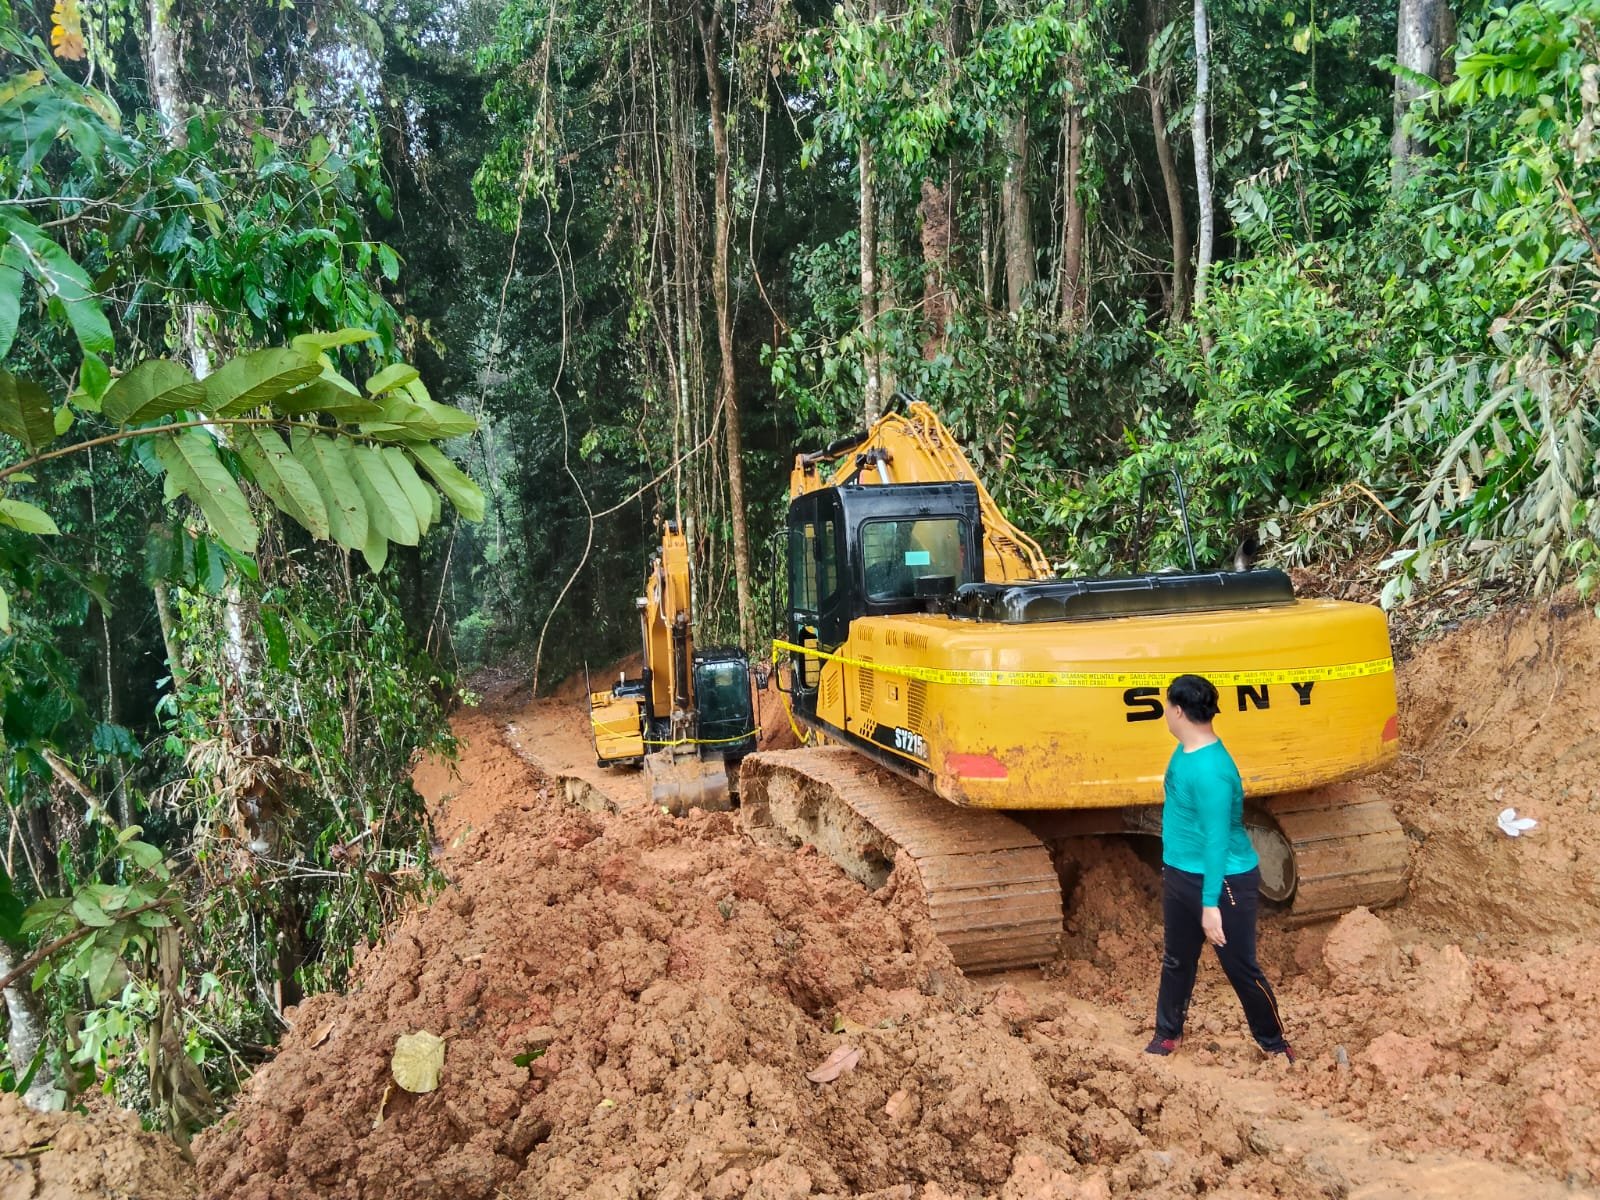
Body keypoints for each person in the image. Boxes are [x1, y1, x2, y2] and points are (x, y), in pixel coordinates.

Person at [1146, 673, 1294, 1063]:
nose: (1165, 712)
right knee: (1177, 959)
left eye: (1166, 706)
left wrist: (1210, 905)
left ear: (1177, 711)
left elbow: (1216, 841)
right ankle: (1167, 1033)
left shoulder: (1211, 771)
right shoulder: (1187, 751)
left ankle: (1274, 1042)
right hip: (1181, 873)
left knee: (1241, 967)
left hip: (1222, 882)